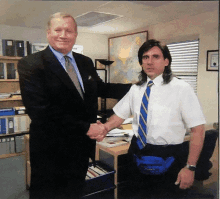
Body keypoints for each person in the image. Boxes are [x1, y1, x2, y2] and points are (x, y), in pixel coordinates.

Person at [18, 12, 131, 199]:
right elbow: (40, 111)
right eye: (58, 30)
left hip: (80, 147)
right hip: (51, 149)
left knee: (74, 191)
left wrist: (137, 88)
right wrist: (86, 127)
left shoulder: (84, 62)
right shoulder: (31, 64)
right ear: (48, 33)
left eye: (69, 31)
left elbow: (101, 88)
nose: (63, 35)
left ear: (76, 35)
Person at [102, 39, 206, 198]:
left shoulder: (181, 88)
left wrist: (190, 167)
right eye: (145, 57)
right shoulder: (136, 88)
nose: (149, 62)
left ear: (166, 61)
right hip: (137, 151)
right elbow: (119, 116)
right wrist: (104, 128)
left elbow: (198, 129)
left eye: (155, 57)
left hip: (168, 157)